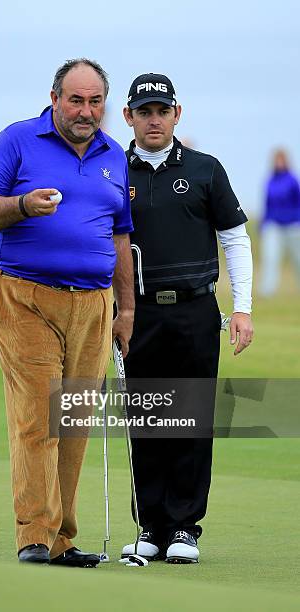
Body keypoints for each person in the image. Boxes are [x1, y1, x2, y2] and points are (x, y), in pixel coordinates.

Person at [0, 59, 134, 567]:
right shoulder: (18, 140)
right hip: (25, 296)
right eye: (76, 100)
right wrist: (21, 206)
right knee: (39, 415)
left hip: (93, 303)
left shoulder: (113, 156)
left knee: (75, 420)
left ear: (105, 103)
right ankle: (34, 537)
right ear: (55, 97)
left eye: (95, 101)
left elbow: (121, 236)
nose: (86, 111)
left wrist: (126, 307)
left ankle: (61, 540)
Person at [120, 73, 254, 563]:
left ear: (178, 114)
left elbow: (235, 238)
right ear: (128, 117)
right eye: (144, 112)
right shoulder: (113, 171)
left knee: (192, 418)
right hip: (136, 311)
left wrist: (243, 307)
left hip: (197, 309)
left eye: (161, 111)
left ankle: (183, 528)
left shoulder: (204, 169)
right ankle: (150, 526)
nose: (153, 120)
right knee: (146, 417)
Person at [259, 149, 300, 296]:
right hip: (273, 225)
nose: (279, 163)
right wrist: (262, 225)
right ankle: (267, 291)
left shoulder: (292, 180)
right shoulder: (270, 181)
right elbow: (267, 204)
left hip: (293, 225)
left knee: (298, 259)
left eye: (281, 160)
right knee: (270, 258)